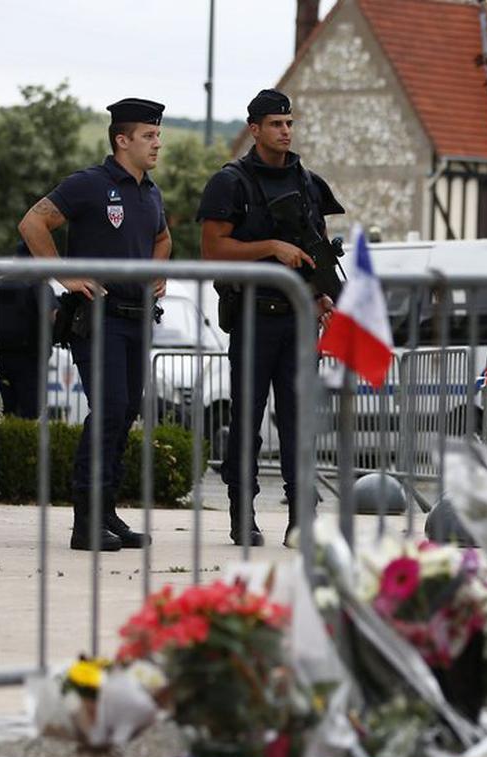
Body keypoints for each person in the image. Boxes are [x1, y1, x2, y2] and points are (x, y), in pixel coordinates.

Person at [17, 98, 171, 552]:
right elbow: (34, 222)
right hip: (98, 317)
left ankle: (106, 513)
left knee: (123, 416)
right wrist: (64, 273)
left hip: (136, 318)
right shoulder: (90, 183)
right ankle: (84, 522)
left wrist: (156, 272)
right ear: (122, 140)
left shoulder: (151, 191)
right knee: (108, 411)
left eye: (158, 134)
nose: (157, 142)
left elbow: (162, 237)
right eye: (148, 135)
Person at [197, 88, 343, 548]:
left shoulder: (307, 182)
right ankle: (243, 515)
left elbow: (318, 244)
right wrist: (270, 248)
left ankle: (302, 519)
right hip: (254, 317)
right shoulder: (231, 182)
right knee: (246, 420)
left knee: (300, 422)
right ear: (254, 129)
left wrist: (321, 294)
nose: (285, 131)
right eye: (275, 124)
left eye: (289, 123)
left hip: (299, 320)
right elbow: (213, 249)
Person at [0, 242, 50, 420]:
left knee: (9, 409)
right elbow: (50, 315)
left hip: (4, 355)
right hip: (31, 357)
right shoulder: (37, 285)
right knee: (31, 412)